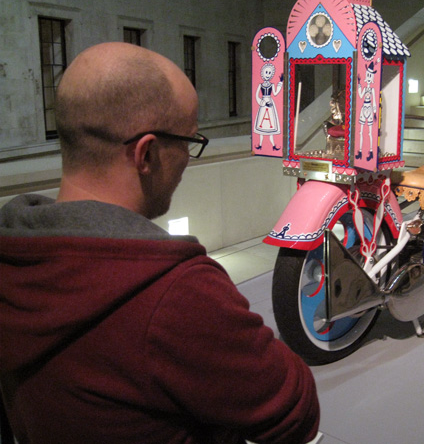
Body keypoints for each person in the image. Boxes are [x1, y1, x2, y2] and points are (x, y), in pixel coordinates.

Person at [0, 42, 319, 444]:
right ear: (147, 153)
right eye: (188, 140)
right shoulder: (175, 292)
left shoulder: (14, 252)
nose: (188, 156)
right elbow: (297, 409)